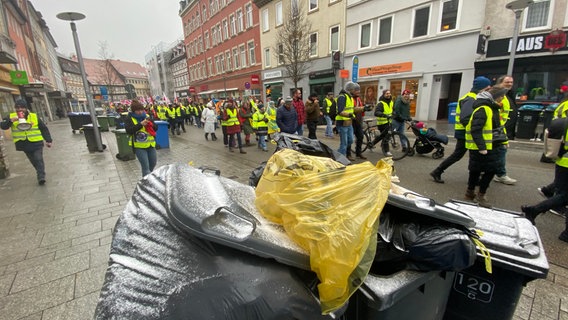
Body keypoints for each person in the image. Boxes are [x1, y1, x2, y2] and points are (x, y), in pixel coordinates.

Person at [430, 76, 492, 183]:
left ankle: (473, 177)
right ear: (482, 88)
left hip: (467, 132)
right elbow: (465, 118)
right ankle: (438, 171)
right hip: (465, 133)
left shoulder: (473, 97)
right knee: (459, 155)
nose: (489, 91)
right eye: (487, 88)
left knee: (466, 156)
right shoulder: (471, 99)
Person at [521, 115, 568, 242]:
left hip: (562, 161)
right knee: (564, 196)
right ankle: (534, 210)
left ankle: (534, 210)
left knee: (564, 196)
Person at [464, 86, 509, 208]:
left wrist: (504, 140)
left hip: (490, 145)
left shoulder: (492, 109)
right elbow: (476, 129)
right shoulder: (484, 109)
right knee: (484, 171)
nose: (503, 99)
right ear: (495, 97)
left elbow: (497, 127)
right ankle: (479, 195)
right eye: (501, 96)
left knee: (479, 170)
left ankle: (472, 193)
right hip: (482, 147)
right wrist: (482, 147)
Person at [1, 98, 53, 185]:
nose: (20, 109)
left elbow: (43, 129)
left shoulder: (34, 116)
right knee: (33, 160)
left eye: (22, 107)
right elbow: (3, 126)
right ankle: (40, 172)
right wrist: (11, 121)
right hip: (24, 144)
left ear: (26, 108)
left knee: (38, 158)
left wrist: (48, 140)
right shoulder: (11, 116)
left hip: (37, 142)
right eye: (17, 107)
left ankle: (41, 176)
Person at [492, 75, 517, 185]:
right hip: (497, 129)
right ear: (500, 82)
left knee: (497, 152)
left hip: (503, 129)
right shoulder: (498, 95)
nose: (510, 84)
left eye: (511, 82)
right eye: (507, 82)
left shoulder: (508, 95)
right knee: (500, 151)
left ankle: (495, 173)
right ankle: (500, 175)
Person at [124, 99, 158, 177]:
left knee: (152, 164)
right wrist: (141, 124)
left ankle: (146, 179)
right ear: (133, 111)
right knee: (145, 168)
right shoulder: (129, 118)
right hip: (139, 146)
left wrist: (151, 125)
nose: (140, 112)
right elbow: (129, 130)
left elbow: (156, 128)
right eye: (138, 111)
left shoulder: (147, 116)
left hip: (150, 144)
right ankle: (147, 183)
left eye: (141, 110)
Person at [336, 81, 360, 160]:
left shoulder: (349, 97)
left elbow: (352, 109)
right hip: (342, 123)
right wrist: (349, 115)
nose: (355, 91)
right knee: (344, 143)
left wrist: (363, 108)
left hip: (349, 123)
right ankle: (341, 159)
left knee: (350, 140)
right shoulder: (342, 97)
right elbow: (340, 111)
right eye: (354, 89)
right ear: (349, 89)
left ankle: (338, 154)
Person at [373, 89, 394, 157]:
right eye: (387, 93)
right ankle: (386, 151)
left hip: (389, 122)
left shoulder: (391, 102)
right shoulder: (381, 103)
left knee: (383, 136)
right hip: (382, 123)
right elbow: (376, 112)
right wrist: (384, 115)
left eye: (389, 93)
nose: (388, 95)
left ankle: (372, 143)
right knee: (386, 136)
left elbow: (393, 110)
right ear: (384, 95)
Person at [347, 95, 366, 160]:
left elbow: (360, 109)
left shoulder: (358, 99)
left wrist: (364, 110)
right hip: (352, 121)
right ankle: (348, 154)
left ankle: (358, 153)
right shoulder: (351, 99)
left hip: (358, 120)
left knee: (360, 136)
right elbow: (352, 109)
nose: (358, 92)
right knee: (350, 138)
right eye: (356, 90)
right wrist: (362, 108)